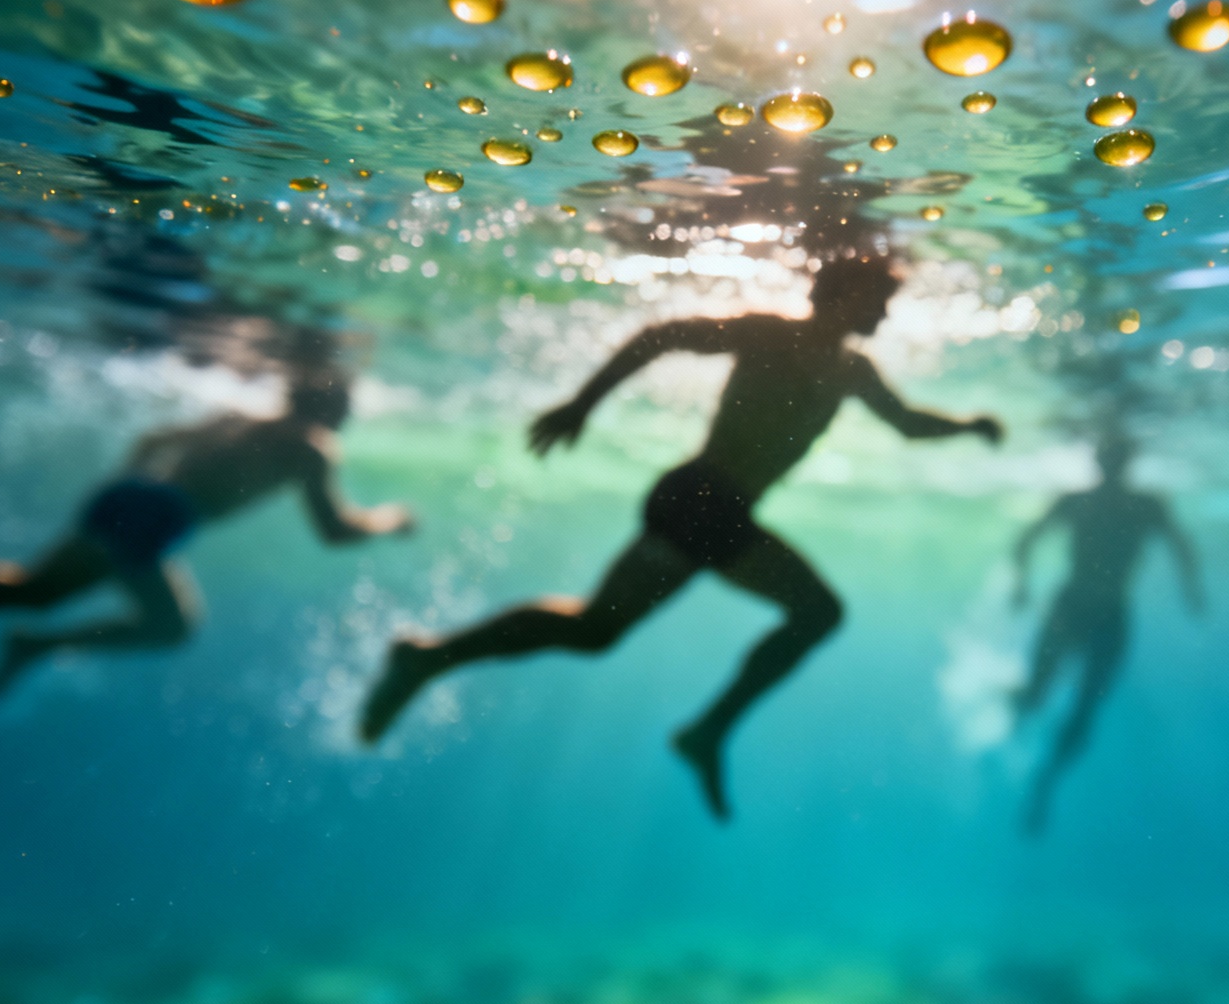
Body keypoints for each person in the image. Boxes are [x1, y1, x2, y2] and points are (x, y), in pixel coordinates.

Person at [358, 255, 1004, 821]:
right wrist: (583, 402)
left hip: (723, 514)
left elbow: (909, 424)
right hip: (697, 500)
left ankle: (429, 657)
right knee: (802, 614)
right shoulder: (768, 334)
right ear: (840, 295)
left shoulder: (854, 371)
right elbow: (661, 336)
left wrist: (970, 425)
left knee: (597, 631)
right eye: (879, 301)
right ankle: (701, 731)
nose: (886, 314)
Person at [0, 368, 413, 704]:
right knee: (170, 628)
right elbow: (335, 532)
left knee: (33, 588)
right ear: (338, 409)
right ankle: (21, 642)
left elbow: (153, 442)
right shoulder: (313, 446)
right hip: (157, 517)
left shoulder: (241, 416)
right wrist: (389, 520)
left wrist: (137, 492)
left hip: (134, 498)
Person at [1009, 435, 1203, 834]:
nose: (1112, 465)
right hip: (1079, 609)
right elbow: (1026, 540)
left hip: (1100, 615)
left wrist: (1191, 588)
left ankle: (1044, 781)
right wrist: (1020, 584)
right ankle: (1020, 731)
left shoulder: (1143, 506)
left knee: (1081, 708)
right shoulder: (1095, 502)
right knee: (1041, 698)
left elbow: (1182, 546)